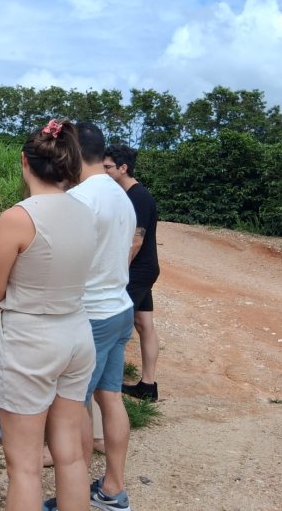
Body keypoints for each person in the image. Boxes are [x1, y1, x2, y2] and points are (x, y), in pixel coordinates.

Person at [0, 119, 97, 511]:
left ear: (24, 162)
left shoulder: (18, 217)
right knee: (69, 454)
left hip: (31, 340)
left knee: (25, 466)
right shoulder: (85, 213)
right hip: (77, 335)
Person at [45, 122, 136, 511]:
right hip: (120, 308)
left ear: (74, 152)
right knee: (111, 397)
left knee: (74, 406)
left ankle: (75, 498)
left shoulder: (80, 199)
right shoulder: (121, 196)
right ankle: (113, 488)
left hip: (92, 316)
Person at [104, 145, 160, 401]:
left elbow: (136, 240)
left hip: (137, 269)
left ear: (123, 168)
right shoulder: (132, 194)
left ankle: (107, 383)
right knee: (143, 323)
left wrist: (118, 270)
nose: (104, 172)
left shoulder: (137, 197)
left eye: (108, 168)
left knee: (119, 323)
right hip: (144, 269)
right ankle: (148, 385)